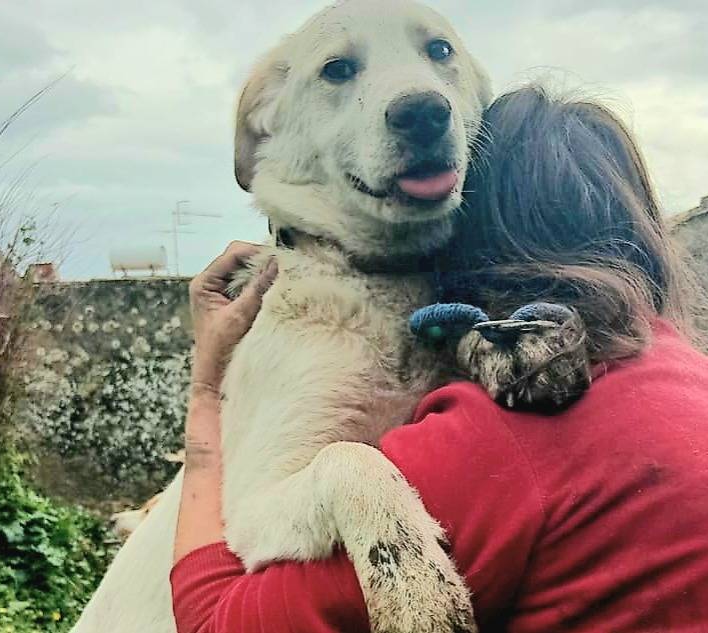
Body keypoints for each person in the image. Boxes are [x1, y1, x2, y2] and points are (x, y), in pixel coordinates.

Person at [171, 86, 708, 632]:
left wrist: (207, 393)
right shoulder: (685, 369)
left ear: (466, 232)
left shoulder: (507, 438)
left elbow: (214, 623)